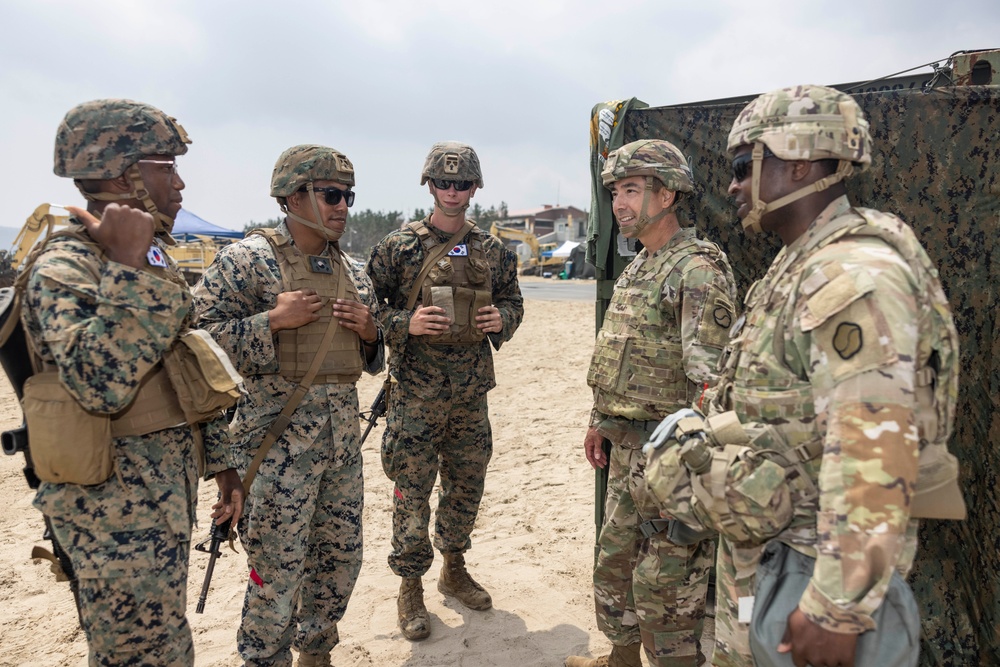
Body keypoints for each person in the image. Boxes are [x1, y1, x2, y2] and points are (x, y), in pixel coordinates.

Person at [643, 84, 960, 667]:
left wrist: (837, 609)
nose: (733, 185)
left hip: (816, 571)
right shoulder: (798, 265)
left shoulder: (854, 273)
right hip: (773, 557)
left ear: (800, 164)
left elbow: (878, 447)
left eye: (744, 166)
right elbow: (788, 410)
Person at [18, 99, 244, 666]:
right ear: (125, 173)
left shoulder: (147, 259)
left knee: (168, 647)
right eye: (166, 166)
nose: (180, 182)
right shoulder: (64, 266)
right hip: (109, 521)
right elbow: (99, 386)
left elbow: (188, 368)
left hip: (160, 503)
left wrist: (224, 466)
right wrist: (126, 267)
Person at [193, 145, 384, 667]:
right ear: (291, 197)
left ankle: (316, 653)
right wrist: (270, 324)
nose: (343, 206)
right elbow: (196, 346)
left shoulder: (355, 271)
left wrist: (371, 333)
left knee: (339, 564)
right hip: (276, 455)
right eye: (331, 195)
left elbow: (368, 359)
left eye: (348, 195)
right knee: (275, 578)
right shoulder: (245, 262)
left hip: (341, 453)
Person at [565, 140, 737, 667]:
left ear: (667, 194)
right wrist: (600, 421)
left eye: (632, 190)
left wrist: (690, 469)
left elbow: (713, 385)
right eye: (615, 191)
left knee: (668, 589)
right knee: (614, 566)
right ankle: (620, 658)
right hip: (624, 448)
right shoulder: (641, 266)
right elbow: (617, 354)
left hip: (671, 461)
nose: (619, 203)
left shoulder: (697, 269)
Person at [365, 141, 523, 641]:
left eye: (462, 183)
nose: (452, 191)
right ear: (429, 186)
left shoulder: (494, 251)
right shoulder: (398, 247)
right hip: (414, 393)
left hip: (470, 394)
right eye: (443, 182)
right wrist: (404, 322)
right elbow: (367, 312)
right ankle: (410, 585)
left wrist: (504, 319)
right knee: (411, 490)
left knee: (465, 483)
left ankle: (453, 568)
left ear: (475, 189)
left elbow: (513, 301)